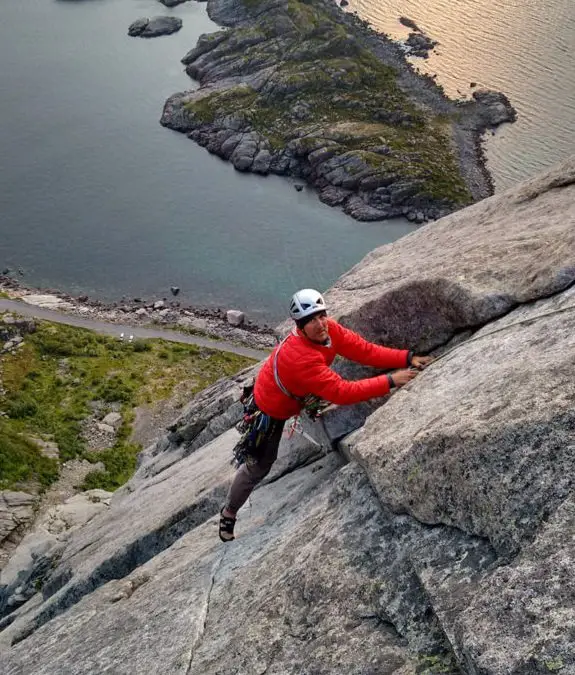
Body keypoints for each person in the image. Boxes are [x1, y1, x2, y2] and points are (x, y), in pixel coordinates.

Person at [219, 288, 433, 541]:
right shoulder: (302, 358)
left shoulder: (329, 331)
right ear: (300, 327)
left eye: (322, 316)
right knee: (259, 466)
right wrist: (391, 380)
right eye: (311, 320)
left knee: (324, 397)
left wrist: (407, 358)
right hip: (271, 408)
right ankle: (229, 512)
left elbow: (363, 350)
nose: (320, 324)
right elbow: (341, 393)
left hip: (295, 390)